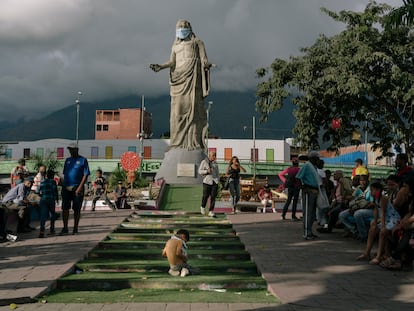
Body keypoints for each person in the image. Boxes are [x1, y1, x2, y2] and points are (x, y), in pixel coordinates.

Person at [150, 19, 213, 150]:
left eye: (184, 26)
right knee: (177, 111)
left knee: (193, 110)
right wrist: (160, 66)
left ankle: (192, 142)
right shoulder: (175, 46)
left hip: (193, 79)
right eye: (179, 27)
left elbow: (204, 59)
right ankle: (177, 142)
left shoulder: (197, 42)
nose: (182, 29)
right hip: (178, 80)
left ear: (190, 28)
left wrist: (207, 65)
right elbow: (172, 62)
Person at [60, 143, 90, 235]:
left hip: (77, 187)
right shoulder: (68, 160)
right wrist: (63, 185)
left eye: (72, 149)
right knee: (65, 208)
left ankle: (75, 229)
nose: (70, 151)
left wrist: (80, 187)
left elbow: (85, 174)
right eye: (69, 149)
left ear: (76, 149)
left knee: (77, 209)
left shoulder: (82, 160)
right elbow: (65, 173)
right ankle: (65, 228)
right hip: (66, 186)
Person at [338, 175, 374, 241]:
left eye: (364, 180)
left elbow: (372, 204)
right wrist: (352, 206)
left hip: (369, 209)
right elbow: (353, 198)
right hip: (358, 207)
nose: (362, 182)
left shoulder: (370, 189)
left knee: (357, 214)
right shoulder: (358, 188)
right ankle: (355, 230)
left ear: (368, 181)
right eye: (361, 180)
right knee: (341, 215)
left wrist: (359, 208)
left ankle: (363, 235)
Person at [296, 151, 321, 240]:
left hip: (314, 191)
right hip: (308, 190)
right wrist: (303, 187)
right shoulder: (307, 165)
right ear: (313, 158)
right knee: (307, 213)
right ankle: (306, 233)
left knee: (312, 213)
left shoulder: (314, 167)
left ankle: (310, 231)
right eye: (317, 158)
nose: (318, 160)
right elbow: (298, 177)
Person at [38, 169, 58, 238]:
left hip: (43, 200)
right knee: (52, 215)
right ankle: (52, 230)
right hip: (51, 200)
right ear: (52, 175)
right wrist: (57, 199)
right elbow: (55, 190)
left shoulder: (42, 182)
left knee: (43, 216)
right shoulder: (53, 181)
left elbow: (39, 191)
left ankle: (42, 231)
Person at [198, 151, 219, 217]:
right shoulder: (204, 162)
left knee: (213, 197)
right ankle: (202, 207)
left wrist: (218, 180)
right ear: (209, 156)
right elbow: (199, 171)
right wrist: (206, 171)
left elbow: (217, 173)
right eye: (213, 155)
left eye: (215, 155)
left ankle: (211, 211)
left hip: (215, 182)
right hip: (207, 181)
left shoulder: (215, 163)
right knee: (205, 196)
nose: (214, 157)